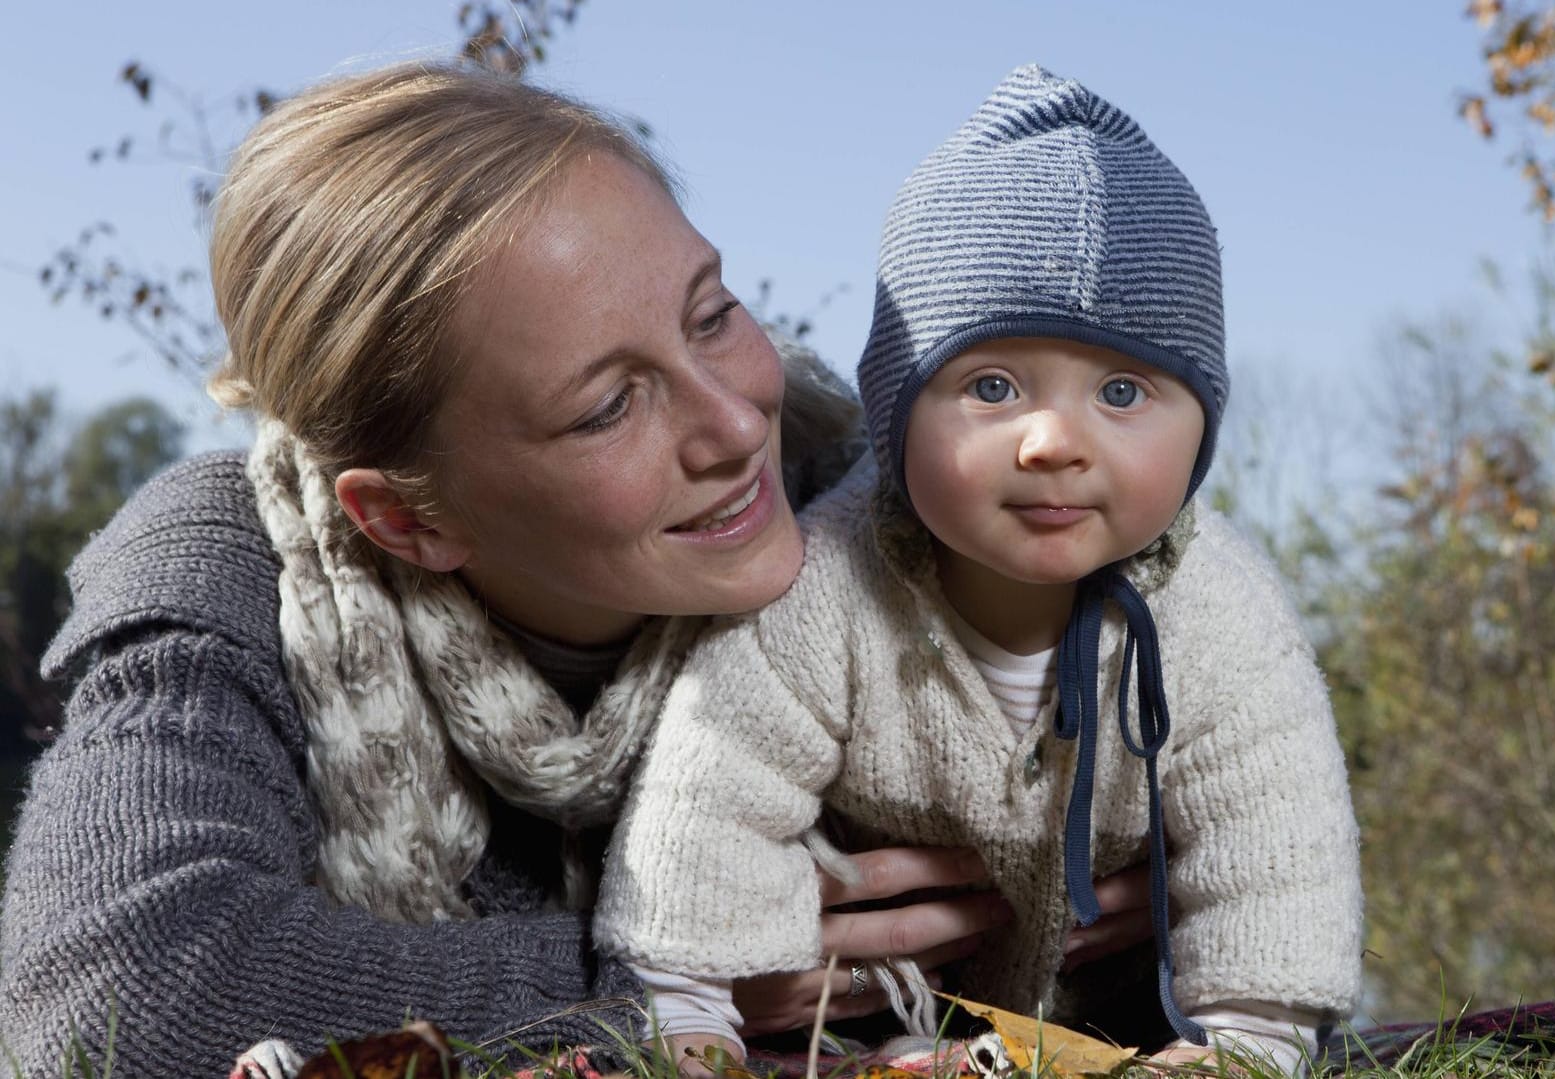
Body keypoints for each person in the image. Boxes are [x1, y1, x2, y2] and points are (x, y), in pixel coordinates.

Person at [0, 61, 1157, 1077]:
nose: (735, 424)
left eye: (711, 314)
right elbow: (116, 991)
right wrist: (671, 976)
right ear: (404, 520)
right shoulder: (233, 561)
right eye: (608, 406)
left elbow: (1139, 957)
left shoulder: (908, 515)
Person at [595, 65, 1365, 1077]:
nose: (1053, 439)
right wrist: (690, 1008)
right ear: (896, 410)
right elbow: (712, 797)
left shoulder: (1220, 613)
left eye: (1125, 390)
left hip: (1123, 1017)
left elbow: (1276, 838)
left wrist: (1248, 1036)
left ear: (1203, 426)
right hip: (869, 1013)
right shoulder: (823, 588)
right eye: (991, 385)